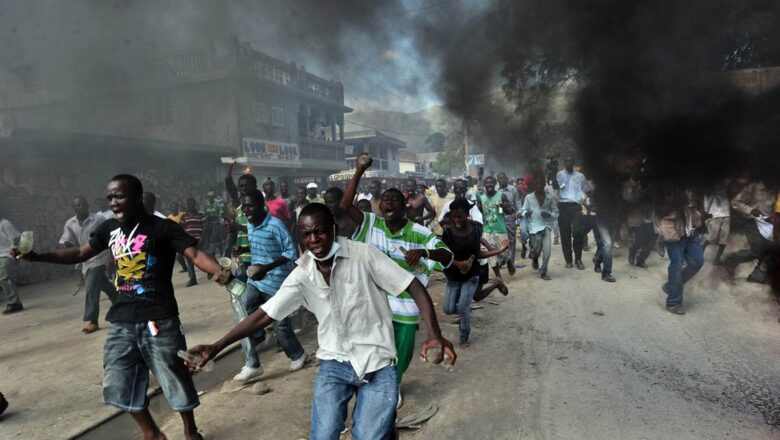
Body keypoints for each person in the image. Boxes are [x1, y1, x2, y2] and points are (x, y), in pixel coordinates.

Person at [186, 203, 455, 439]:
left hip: (378, 360)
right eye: (307, 234)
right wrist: (216, 346)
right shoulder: (302, 274)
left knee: (368, 435)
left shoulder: (364, 255)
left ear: (334, 229)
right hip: (334, 363)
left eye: (320, 231)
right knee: (323, 434)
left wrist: (434, 333)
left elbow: (412, 286)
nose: (314, 239)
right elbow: (263, 315)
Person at [13, 174, 226, 440]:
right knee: (117, 379)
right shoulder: (108, 228)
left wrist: (219, 271)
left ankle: (190, 431)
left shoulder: (162, 228)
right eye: (110, 197)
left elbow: (194, 254)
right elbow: (80, 253)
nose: (114, 202)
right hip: (122, 319)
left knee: (174, 375)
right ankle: (151, 433)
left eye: (120, 196)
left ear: (137, 197)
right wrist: (37, 256)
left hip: (159, 318)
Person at [341, 157, 453, 409]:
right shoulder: (371, 223)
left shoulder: (420, 233)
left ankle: (393, 384)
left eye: (395, 200)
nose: (388, 204)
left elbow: (446, 256)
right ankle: (374, 384)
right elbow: (345, 204)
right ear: (379, 207)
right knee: (373, 348)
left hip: (406, 309)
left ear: (404, 206)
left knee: (400, 354)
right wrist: (359, 170)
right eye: (385, 201)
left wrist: (425, 253)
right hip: (373, 303)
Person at [232, 189, 308, 382]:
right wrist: (242, 249)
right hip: (255, 280)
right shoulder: (250, 225)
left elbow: (290, 252)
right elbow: (257, 244)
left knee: (280, 325)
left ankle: (298, 354)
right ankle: (252, 364)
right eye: (244, 207)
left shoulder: (276, 225)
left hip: (276, 282)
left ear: (262, 206)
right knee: (243, 316)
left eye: (250, 206)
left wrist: (267, 268)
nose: (246, 210)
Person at [441, 199, 509, 346]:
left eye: (460, 216)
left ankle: (464, 337)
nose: (457, 220)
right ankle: (495, 284)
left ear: (467, 214)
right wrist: (458, 264)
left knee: (464, 307)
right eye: (454, 216)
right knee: (448, 309)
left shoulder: (477, 229)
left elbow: (478, 254)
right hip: (452, 275)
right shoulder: (447, 231)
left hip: (471, 274)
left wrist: (498, 251)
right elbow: (443, 255)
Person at [59, 196, 117, 333]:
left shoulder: (98, 219)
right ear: (73, 208)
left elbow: (111, 237)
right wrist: (65, 248)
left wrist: (113, 259)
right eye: (77, 206)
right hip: (85, 259)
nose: (81, 208)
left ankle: (93, 321)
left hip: (99, 256)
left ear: (87, 205)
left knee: (91, 287)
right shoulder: (70, 223)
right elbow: (66, 240)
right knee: (104, 284)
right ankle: (123, 304)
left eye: (83, 205)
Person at [654, 187, 704, 315]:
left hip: (691, 232)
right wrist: (680, 204)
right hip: (675, 233)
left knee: (697, 262)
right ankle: (674, 302)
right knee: (677, 264)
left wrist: (698, 212)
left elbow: (696, 208)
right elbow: (661, 213)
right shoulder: (669, 187)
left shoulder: (694, 187)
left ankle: (671, 286)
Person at [722, 180, 776, 284]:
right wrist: (750, 210)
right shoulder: (753, 187)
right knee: (758, 251)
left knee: (770, 249)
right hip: (752, 222)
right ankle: (731, 260)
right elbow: (735, 202)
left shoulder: (775, 190)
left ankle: (757, 275)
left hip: (768, 224)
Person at [521, 173, 559, 280]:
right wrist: (526, 213)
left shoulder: (550, 198)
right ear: (534, 184)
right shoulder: (529, 197)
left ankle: (543, 272)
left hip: (546, 226)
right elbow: (523, 210)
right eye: (537, 183)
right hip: (534, 227)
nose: (539, 184)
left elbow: (556, 212)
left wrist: (549, 215)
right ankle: (534, 257)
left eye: (541, 182)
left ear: (544, 184)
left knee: (547, 251)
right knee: (536, 250)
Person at [476, 176, 515, 280]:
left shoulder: (501, 196)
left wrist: (503, 206)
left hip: (500, 229)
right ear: (484, 185)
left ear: (495, 184)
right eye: (487, 183)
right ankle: (498, 276)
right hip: (487, 231)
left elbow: (509, 211)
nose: (489, 185)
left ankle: (509, 261)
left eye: (491, 183)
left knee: (504, 252)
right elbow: (479, 213)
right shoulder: (481, 198)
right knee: (490, 255)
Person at [553, 157, 587, 269]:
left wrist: (583, 200)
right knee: (565, 234)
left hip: (576, 206)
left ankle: (578, 259)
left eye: (570, 161)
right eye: (566, 161)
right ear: (564, 163)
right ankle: (568, 260)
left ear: (573, 162)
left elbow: (584, 189)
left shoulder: (580, 176)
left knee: (578, 232)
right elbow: (555, 188)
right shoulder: (559, 174)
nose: (569, 162)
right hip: (563, 206)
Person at [225, 163, 258, 279]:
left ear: (254, 186)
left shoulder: (260, 208)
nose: (244, 189)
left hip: (257, 257)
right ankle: (225, 269)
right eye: (241, 186)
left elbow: (259, 232)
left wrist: (237, 227)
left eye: (247, 186)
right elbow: (228, 182)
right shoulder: (239, 208)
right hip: (243, 257)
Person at [497, 172, 522, 275]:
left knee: (511, 240)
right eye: (500, 179)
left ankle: (510, 262)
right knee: (500, 239)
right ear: (498, 181)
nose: (502, 180)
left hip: (510, 217)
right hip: (499, 217)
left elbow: (518, 202)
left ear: (507, 179)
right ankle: (501, 259)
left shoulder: (513, 189)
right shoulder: (496, 191)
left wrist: (519, 214)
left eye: (503, 178)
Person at [180, 198, 208, 287]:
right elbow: (181, 229)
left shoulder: (201, 215)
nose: (190, 206)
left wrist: (202, 238)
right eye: (188, 205)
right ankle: (192, 279)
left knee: (202, 258)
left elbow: (205, 227)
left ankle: (209, 271)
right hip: (188, 241)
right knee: (189, 260)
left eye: (191, 204)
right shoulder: (184, 216)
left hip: (198, 239)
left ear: (195, 205)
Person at [702, 182, 731, 265]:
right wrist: (706, 212)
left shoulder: (726, 186)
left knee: (724, 238)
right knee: (712, 237)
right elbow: (706, 201)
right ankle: (700, 250)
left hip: (726, 214)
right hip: (714, 214)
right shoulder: (709, 190)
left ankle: (717, 258)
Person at [0, 214, 22, 314]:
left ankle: (15, 303)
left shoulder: (5, 223)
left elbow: (16, 238)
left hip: (7, 254)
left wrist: (16, 254)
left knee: (4, 277)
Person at [168, 202, 189, 274]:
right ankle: (185, 267)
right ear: (170, 208)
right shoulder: (169, 217)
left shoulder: (183, 214)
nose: (173, 208)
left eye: (174, 207)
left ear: (177, 208)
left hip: (184, 236)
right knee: (179, 256)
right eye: (172, 207)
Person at [203, 189, 224, 257]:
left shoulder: (217, 205)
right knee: (210, 238)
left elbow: (221, 214)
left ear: (214, 197)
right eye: (209, 196)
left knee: (213, 238)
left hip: (216, 222)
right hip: (209, 222)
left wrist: (220, 220)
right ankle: (220, 246)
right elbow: (204, 214)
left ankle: (212, 253)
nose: (210, 197)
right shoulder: (206, 205)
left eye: (211, 196)